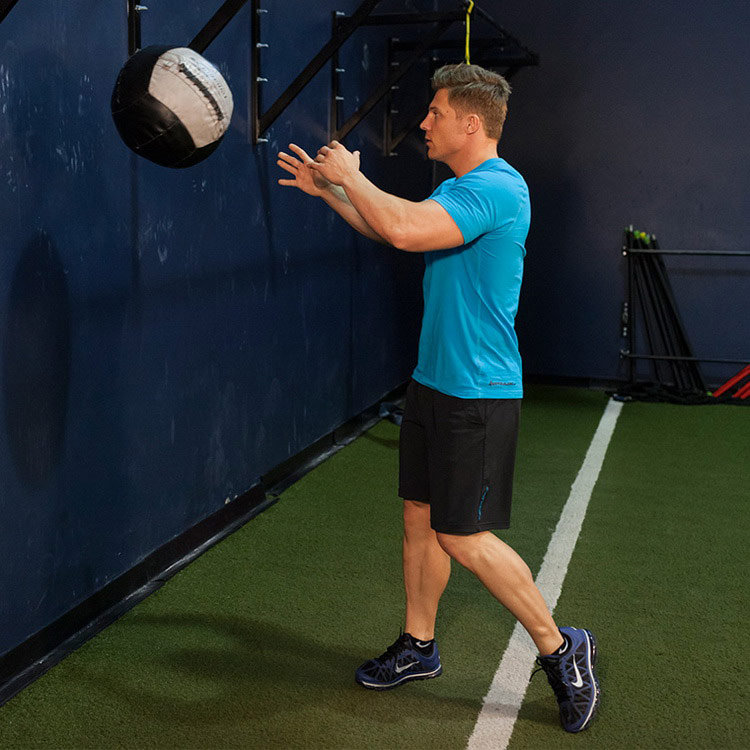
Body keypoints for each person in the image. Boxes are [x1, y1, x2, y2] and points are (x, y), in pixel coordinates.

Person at [276, 63, 600, 734]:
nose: (424, 122)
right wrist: (335, 195)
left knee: (461, 533)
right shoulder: (460, 188)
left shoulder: (497, 189)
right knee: (420, 520)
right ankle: (419, 646)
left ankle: (560, 645)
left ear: (470, 123)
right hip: (434, 381)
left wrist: (352, 177)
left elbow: (404, 230)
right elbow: (399, 226)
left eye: (434, 111)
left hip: (477, 394)